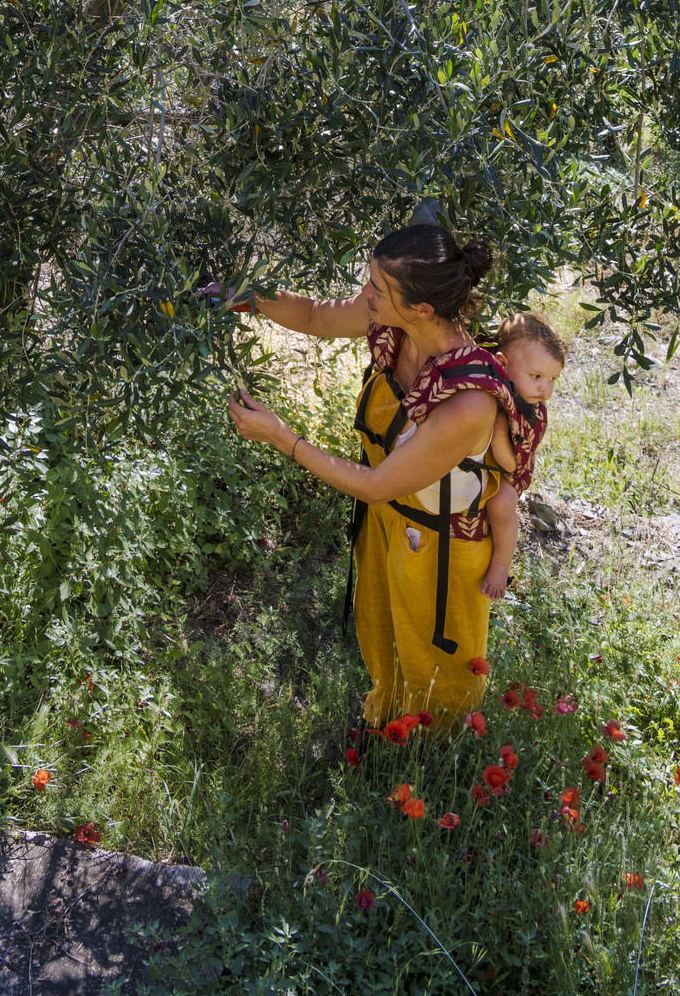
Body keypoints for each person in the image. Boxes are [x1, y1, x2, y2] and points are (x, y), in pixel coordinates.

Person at [221, 219, 521, 731]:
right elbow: (315, 315)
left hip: (440, 548)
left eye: (377, 289)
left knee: (437, 668)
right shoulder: (394, 317)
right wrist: (243, 297)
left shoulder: (467, 402)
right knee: (384, 638)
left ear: (423, 307)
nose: (365, 295)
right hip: (388, 522)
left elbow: (375, 483)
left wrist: (279, 436)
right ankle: (387, 738)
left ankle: (440, 770)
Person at [478, 312, 566, 601]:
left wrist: (496, 427)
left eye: (553, 379)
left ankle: (501, 566)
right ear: (502, 363)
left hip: (513, 468)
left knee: (502, 503)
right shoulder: (502, 390)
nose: (546, 389)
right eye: (537, 376)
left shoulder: (530, 412)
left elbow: (509, 464)